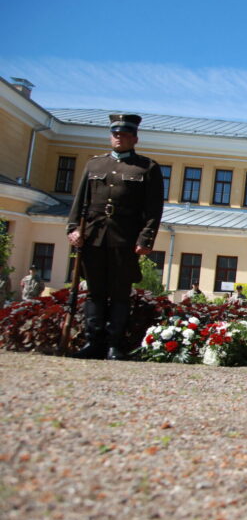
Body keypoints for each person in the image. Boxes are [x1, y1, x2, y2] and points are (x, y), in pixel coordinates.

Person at [67, 114, 164, 360]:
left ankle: (114, 344)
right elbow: (80, 202)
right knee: (95, 292)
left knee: (120, 292)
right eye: (115, 134)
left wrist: (145, 239)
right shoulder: (94, 165)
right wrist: (73, 229)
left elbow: (153, 209)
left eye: (124, 135)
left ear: (135, 138)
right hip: (93, 237)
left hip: (124, 239)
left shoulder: (147, 168)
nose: (118, 138)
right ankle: (93, 342)